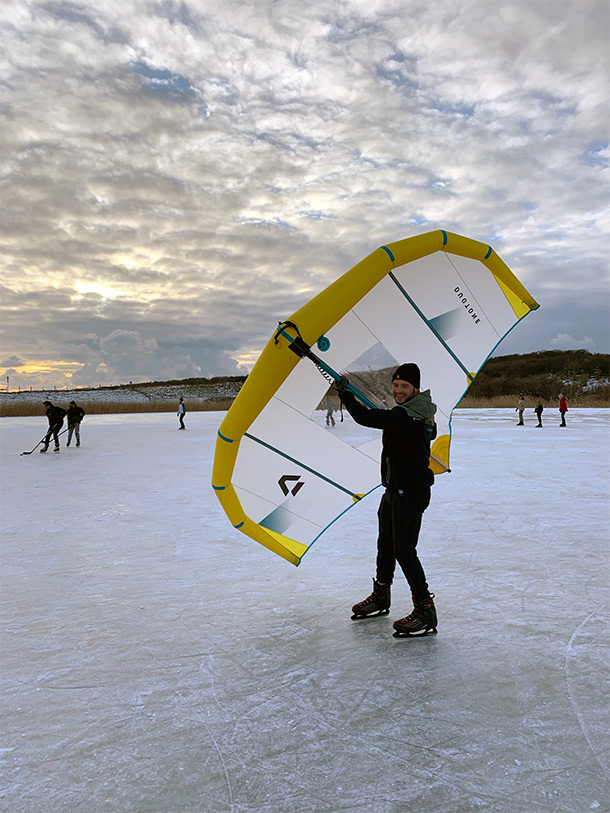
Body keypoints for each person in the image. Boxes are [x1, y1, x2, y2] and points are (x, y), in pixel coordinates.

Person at [336, 363, 438, 637]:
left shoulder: (405, 416)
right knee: (386, 545)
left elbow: (364, 417)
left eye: (404, 386)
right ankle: (381, 595)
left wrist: (345, 395)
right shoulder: (419, 412)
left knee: (404, 550)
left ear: (416, 389)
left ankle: (425, 609)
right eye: (395, 386)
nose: (398, 391)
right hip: (394, 490)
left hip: (411, 492)